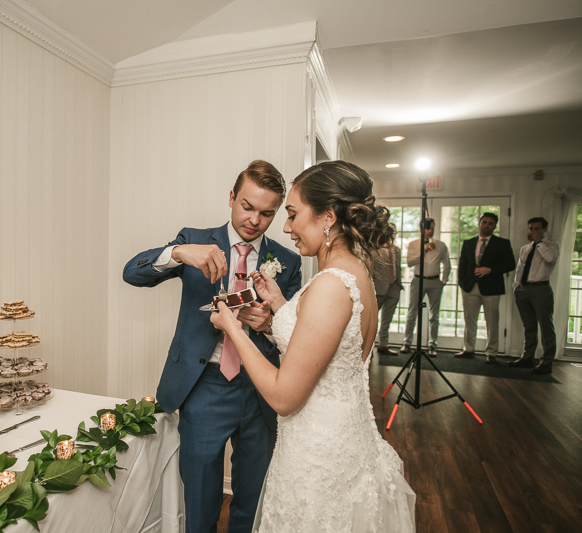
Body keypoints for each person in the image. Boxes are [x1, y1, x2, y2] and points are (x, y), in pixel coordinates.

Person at [210, 161, 416, 532]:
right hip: (342, 436)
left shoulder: (329, 285)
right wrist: (279, 311)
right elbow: (331, 349)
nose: (285, 227)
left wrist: (232, 327)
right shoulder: (354, 273)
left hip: (319, 454)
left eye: (291, 214)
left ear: (328, 217)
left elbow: (285, 397)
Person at [123, 160, 302, 533]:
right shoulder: (193, 239)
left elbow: (294, 332)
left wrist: (269, 325)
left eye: (267, 213)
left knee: (252, 498)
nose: (254, 220)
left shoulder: (287, 261)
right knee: (201, 497)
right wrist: (178, 253)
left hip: (260, 388)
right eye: (248, 207)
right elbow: (132, 273)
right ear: (232, 197)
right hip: (203, 385)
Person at [456, 212, 516, 363]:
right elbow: (463, 264)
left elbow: (510, 264)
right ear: (479, 223)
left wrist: (490, 270)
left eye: (490, 223)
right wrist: (462, 283)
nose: (487, 225)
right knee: (469, 320)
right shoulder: (469, 243)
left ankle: (491, 353)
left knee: (492, 321)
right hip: (470, 287)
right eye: (484, 222)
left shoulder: (502, 243)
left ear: (494, 226)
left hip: (492, 288)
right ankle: (469, 349)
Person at [509, 217, 559, 374]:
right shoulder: (525, 248)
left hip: (541, 290)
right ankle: (527, 358)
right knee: (529, 326)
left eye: (537, 229)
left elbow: (550, 259)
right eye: (531, 228)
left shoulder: (551, 247)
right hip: (523, 290)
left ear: (545, 229)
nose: (533, 231)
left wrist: (539, 243)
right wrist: (516, 287)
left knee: (546, 327)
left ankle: (546, 363)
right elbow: (520, 269)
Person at [399, 218, 451, 357]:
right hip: (417, 280)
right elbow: (409, 263)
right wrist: (424, 250)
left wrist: (443, 281)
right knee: (412, 313)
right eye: (428, 228)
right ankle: (407, 342)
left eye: (432, 228)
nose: (430, 231)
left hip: (435, 282)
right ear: (421, 229)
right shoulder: (414, 244)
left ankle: (432, 345)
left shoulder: (441, 245)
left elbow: (447, 264)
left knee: (434, 315)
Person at [372, 225, 402, 355]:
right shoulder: (374, 249)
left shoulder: (397, 250)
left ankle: (383, 345)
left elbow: (398, 267)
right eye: (391, 232)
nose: (392, 234)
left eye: (394, 232)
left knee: (387, 319)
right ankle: (369, 349)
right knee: (372, 320)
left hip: (394, 287)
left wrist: (399, 284)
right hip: (378, 289)